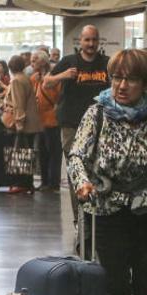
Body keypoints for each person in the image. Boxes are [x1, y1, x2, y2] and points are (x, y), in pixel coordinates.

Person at [67, 49, 147, 295]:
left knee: (146, 291)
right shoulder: (97, 112)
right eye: (116, 77)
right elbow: (77, 156)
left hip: (144, 210)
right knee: (115, 290)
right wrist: (83, 181)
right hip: (105, 210)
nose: (122, 85)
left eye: (130, 78)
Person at [44, 25, 110, 225]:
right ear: (80, 41)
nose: (91, 44)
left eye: (94, 40)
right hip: (72, 124)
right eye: (87, 40)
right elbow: (47, 82)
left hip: (100, 125)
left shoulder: (106, 63)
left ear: (99, 42)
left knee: (100, 169)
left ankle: (97, 215)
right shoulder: (68, 61)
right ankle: (79, 218)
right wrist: (62, 76)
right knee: (76, 170)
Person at [4, 54, 42, 193]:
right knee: (27, 153)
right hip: (31, 123)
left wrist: (19, 124)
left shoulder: (16, 81)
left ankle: (21, 183)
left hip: (23, 125)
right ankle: (27, 183)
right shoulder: (25, 78)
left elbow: (18, 104)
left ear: (10, 67)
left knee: (20, 153)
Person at [31, 50, 62, 191]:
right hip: (40, 121)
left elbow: (59, 95)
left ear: (42, 62)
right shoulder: (34, 78)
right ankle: (44, 181)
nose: (31, 64)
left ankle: (53, 182)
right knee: (42, 152)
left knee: (53, 152)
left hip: (52, 120)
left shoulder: (54, 77)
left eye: (34, 61)